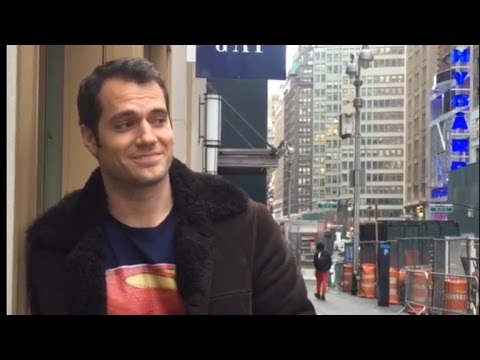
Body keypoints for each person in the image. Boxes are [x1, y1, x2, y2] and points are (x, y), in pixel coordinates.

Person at [26, 57, 315, 315]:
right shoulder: (55, 244)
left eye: (158, 119)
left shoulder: (246, 226)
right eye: (126, 124)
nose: (148, 137)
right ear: (90, 139)